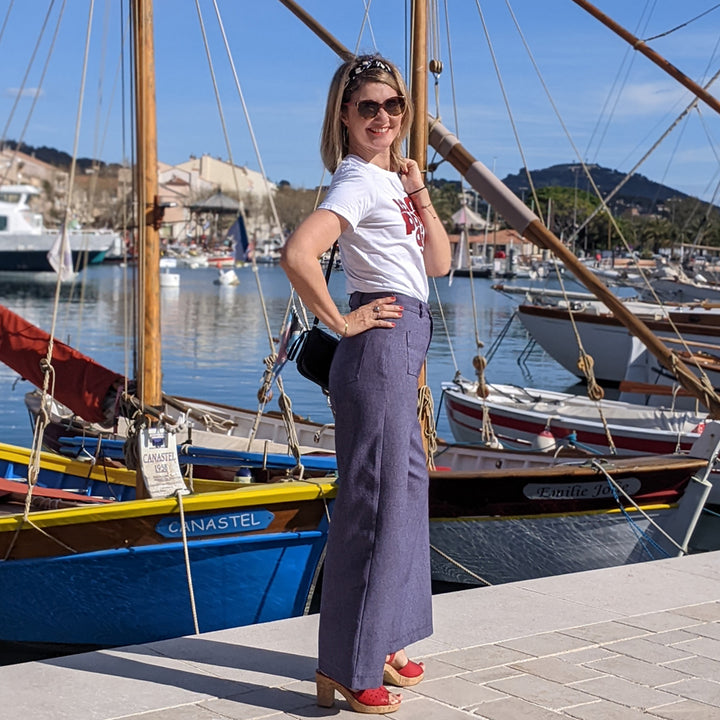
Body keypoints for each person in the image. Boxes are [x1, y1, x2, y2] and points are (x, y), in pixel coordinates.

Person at [280, 53, 451, 715]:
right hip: (378, 346)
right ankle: (346, 666)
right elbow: (298, 253)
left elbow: (438, 262)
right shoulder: (354, 179)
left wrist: (418, 190)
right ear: (345, 117)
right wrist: (341, 321)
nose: (383, 117)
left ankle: (381, 640)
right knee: (374, 506)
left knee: (404, 495)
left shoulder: (389, 181)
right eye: (368, 107)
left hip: (403, 342)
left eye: (393, 106)